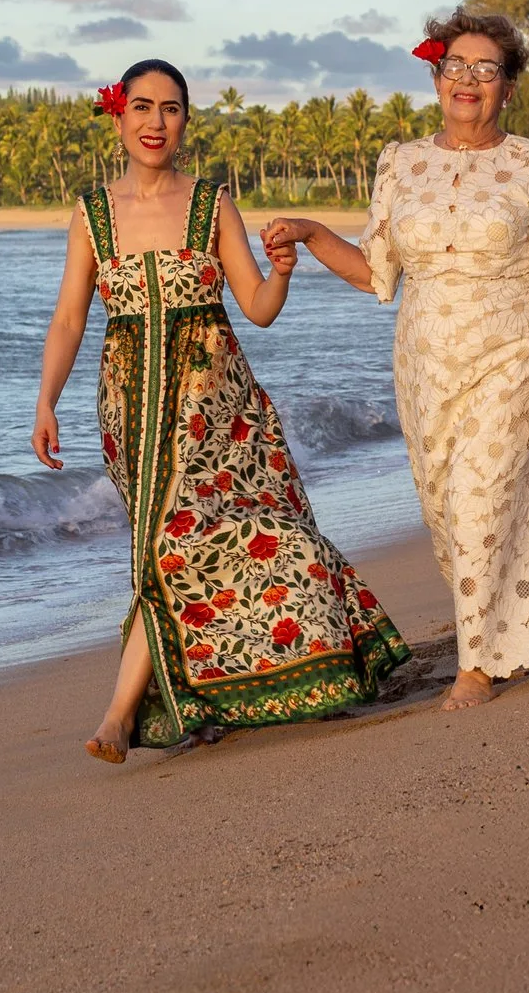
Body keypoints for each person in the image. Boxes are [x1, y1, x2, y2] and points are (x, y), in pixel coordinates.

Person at [32, 58, 410, 762]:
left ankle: (126, 714)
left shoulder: (212, 203)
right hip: (131, 411)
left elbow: (258, 310)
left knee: (216, 540)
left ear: (184, 121)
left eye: (170, 108)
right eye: (141, 106)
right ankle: (158, 705)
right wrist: (45, 400)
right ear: (118, 117)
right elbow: (67, 320)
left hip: (220, 410)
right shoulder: (92, 213)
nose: (155, 122)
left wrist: (285, 273)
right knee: (164, 549)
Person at [260, 10, 529, 709]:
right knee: (449, 512)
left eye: (486, 69)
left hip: (512, 355)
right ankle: (502, 638)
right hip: (424, 367)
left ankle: (475, 668)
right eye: (455, 66)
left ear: (508, 87)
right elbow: (376, 273)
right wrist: (313, 231)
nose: (467, 80)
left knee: (482, 500)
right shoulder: (401, 162)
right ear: (435, 76)